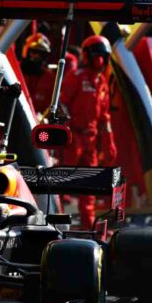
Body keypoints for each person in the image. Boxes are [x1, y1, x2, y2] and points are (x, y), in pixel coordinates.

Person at [60, 35, 117, 230]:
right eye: (97, 55)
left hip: (90, 140)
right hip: (72, 138)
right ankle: (56, 224)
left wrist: (109, 141)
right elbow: (62, 104)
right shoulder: (75, 77)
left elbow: (104, 117)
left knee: (89, 185)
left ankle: (88, 227)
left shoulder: (101, 82)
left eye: (103, 56)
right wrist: (65, 128)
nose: (100, 60)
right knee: (63, 181)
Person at [20, 32, 55, 114]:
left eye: (41, 54)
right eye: (34, 52)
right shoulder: (15, 72)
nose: (37, 56)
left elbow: (50, 104)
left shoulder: (49, 77)